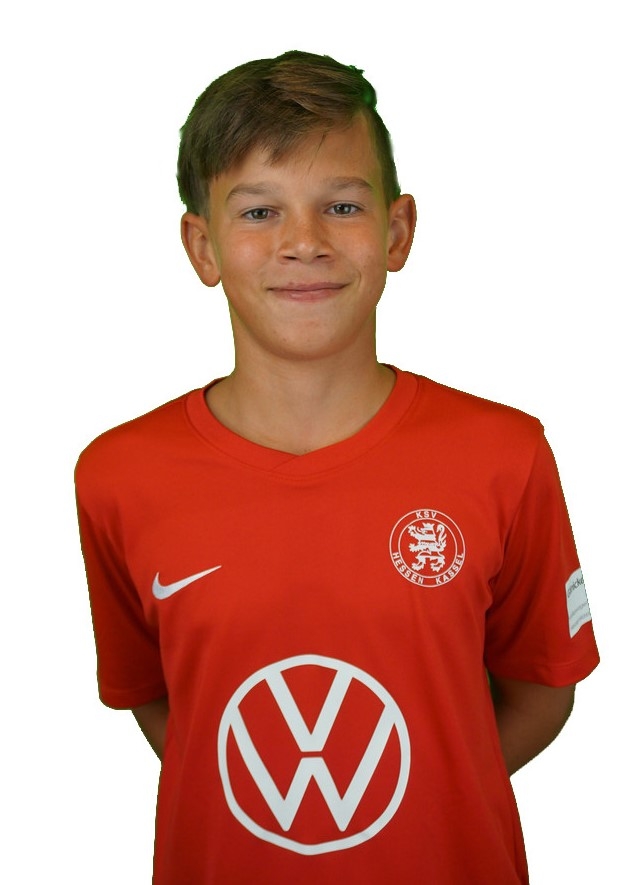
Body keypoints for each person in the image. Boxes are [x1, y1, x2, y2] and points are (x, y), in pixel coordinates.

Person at [75, 50, 599, 884]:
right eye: (259, 212)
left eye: (342, 205)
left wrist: (411, 789)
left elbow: (542, 689)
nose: (304, 243)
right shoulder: (118, 476)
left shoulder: (506, 454)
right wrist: (304, 798)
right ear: (202, 246)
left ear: (397, 232)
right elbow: (157, 696)